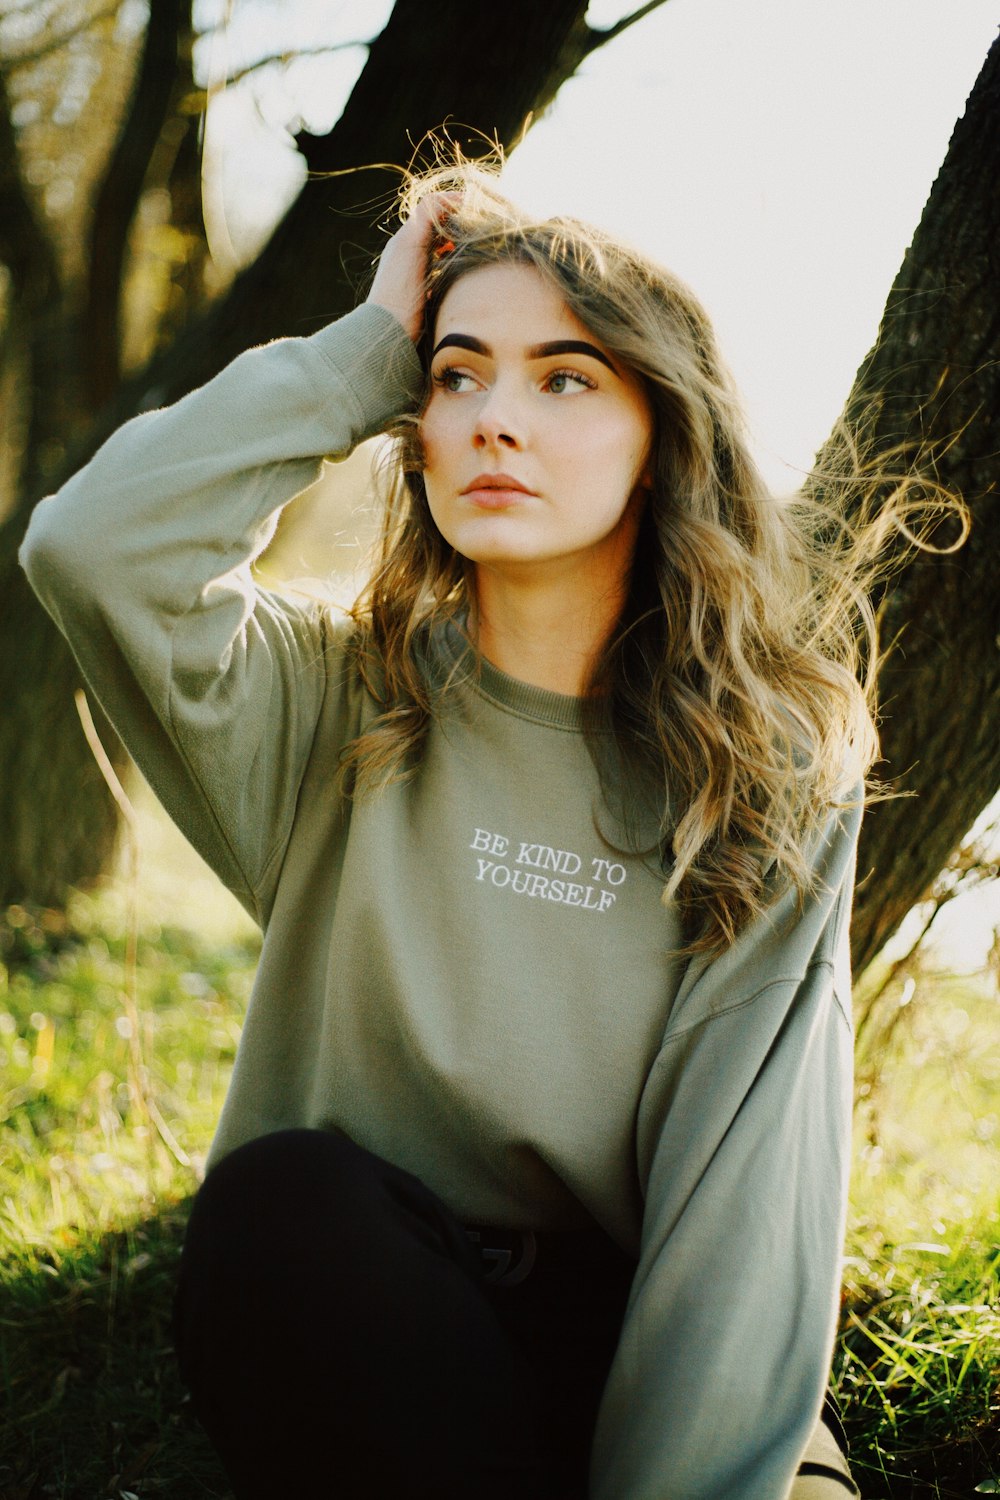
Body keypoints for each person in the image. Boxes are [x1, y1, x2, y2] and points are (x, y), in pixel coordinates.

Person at [20, 165, 896, 1498]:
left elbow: (742, 1202)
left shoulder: (763, 769)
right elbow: (91, 545)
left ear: (659, 431)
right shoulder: (332, 701)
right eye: (457, 374)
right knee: (285, 1209)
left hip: (633, 1340)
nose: (496, 419)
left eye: (564, 378)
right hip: (360, 1309)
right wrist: (367, 351)